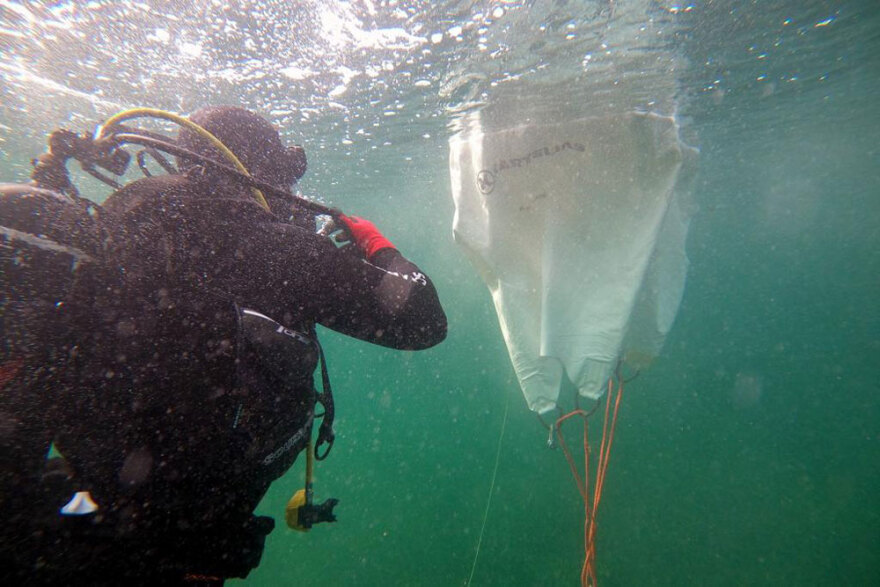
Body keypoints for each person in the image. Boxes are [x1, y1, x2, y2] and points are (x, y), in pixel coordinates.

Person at [1, 106, 447, 585]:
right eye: (284, 178)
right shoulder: (280, 251)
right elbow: (423, 321)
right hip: (180, 548)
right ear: (262, 172)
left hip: (74, 518)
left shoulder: (115, 223)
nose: (291, 197)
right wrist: (374, 241)